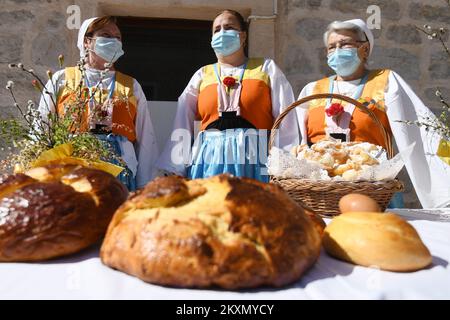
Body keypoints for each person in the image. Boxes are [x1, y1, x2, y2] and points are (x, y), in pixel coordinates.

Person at [296, 18, 450, 208]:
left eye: (344, 44)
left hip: (372, 191)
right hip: (321, 194)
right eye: (331, 47)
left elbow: (418, 132)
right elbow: (298, 142)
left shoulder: (386, 81)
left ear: (365, 49)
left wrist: (444, 186)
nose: (337, 51)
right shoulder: (312, 89)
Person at [156, 9, 299, 182]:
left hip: (254, 158)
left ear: (243, 36)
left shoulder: (266, 68)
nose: (222, 33)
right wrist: (176, 167)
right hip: (208, 159)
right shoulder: (202, 74)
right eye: (217, 30)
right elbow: (182, 122)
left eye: (229, 27)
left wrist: (284, 166)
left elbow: (285, 119)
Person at [38, 16, 159, 190]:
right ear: (87, 41)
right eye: (106, 35)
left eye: (118, 37)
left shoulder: (131, 85)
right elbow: (42, 127)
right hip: (72, 170)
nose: (114, 41)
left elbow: (146, 139)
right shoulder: (62, 79)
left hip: (119, 172)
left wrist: (145, 185)